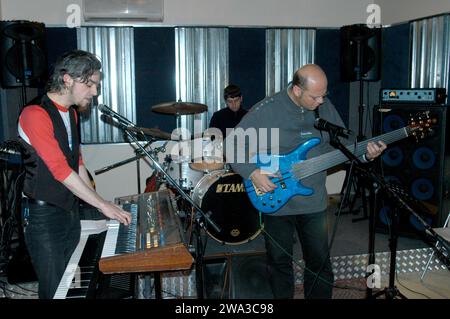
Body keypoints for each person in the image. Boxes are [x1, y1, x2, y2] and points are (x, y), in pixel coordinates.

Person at [228, 64, 387, 299]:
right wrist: (252, 172)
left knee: (320, 262)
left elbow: (343, 142)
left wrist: (365, 154)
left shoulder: (323, 106)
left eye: (325, 95)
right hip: (277, 200)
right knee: (280, 262)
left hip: (313, 200)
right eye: (315, 96)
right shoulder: (267, 110)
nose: (321, 101)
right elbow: (232, 145)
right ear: (297, 90)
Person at [17, 50, 131, 299]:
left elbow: (76, 162)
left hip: (68, 210)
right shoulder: (35, 114)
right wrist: (103, 205)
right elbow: (59, 170)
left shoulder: (71, 113)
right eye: (89, 84)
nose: (94, 92)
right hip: (43, 216)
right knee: (55, 288)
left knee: (74, 280)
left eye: (96, 85)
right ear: (67, 79)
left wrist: (100, 203)